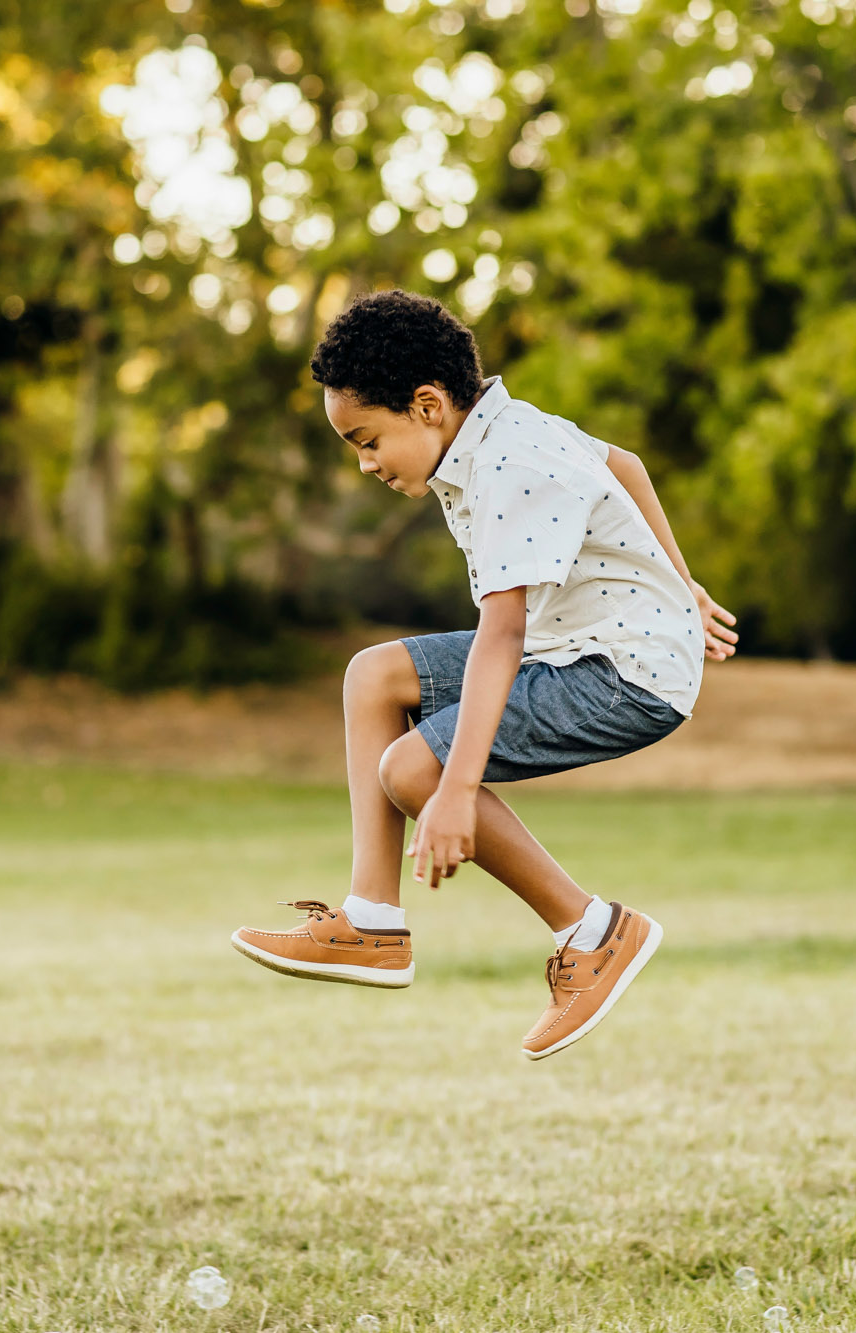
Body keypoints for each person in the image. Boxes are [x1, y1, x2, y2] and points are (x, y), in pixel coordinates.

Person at [231, 289, 739, 1060]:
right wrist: (682, 583)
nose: (365, 463)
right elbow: (624, 464)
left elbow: (502, 634)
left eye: (367, 440)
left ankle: (594, 931)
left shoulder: (509, 466)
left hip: (625, 674)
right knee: (374, 678)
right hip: (573, 642)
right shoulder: (500, 425)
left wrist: (455, 790)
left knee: (412, 770)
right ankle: (373, 921)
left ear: (428, 404)